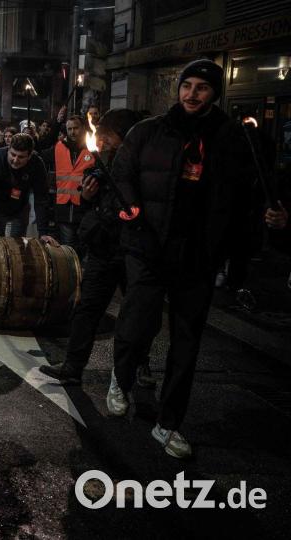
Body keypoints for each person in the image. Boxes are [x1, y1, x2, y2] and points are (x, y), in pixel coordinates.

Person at [108, 59, 262, 459]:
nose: (192, 94)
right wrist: (132, 209)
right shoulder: (148, 131)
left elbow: (246, 197)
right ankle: (120, 377)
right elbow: (122, 174)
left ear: (215, 93)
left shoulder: (230, 139)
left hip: (198, 257)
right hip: (148, 247)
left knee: (187, 345)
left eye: (202, 88)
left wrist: (261, 230)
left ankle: (169, 422)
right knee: (137, 322)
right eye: (187, 86)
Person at [40, 109, 162, 387]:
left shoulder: (144, 165)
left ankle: (141, 367)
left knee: (138, 314)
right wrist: (87, 195)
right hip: (104, 247)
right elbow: (92, 205)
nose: (102, 142)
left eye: (107, 137)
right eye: (101, 136)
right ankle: (72, 367)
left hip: (134, 251)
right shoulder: (103, 162)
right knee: (87, 309)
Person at [0, 133, 57, 245]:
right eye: (13, 154)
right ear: (8, 149)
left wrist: (43, 232)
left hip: (19, 211)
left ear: (29, 156)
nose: (15, 160)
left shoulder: (36, 163)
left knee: (16, 249)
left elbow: (41, 199)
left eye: (21, 157)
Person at [41, 115, 96, 250]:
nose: (72, 132)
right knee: (68, 247)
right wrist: (56, 123)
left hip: (85, 205)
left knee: (85, 245)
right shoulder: (59, 147)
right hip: (64, 206)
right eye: (69, 129)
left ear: (83, 128)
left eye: (75, 128)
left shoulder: (93, 148)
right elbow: (40, 150)